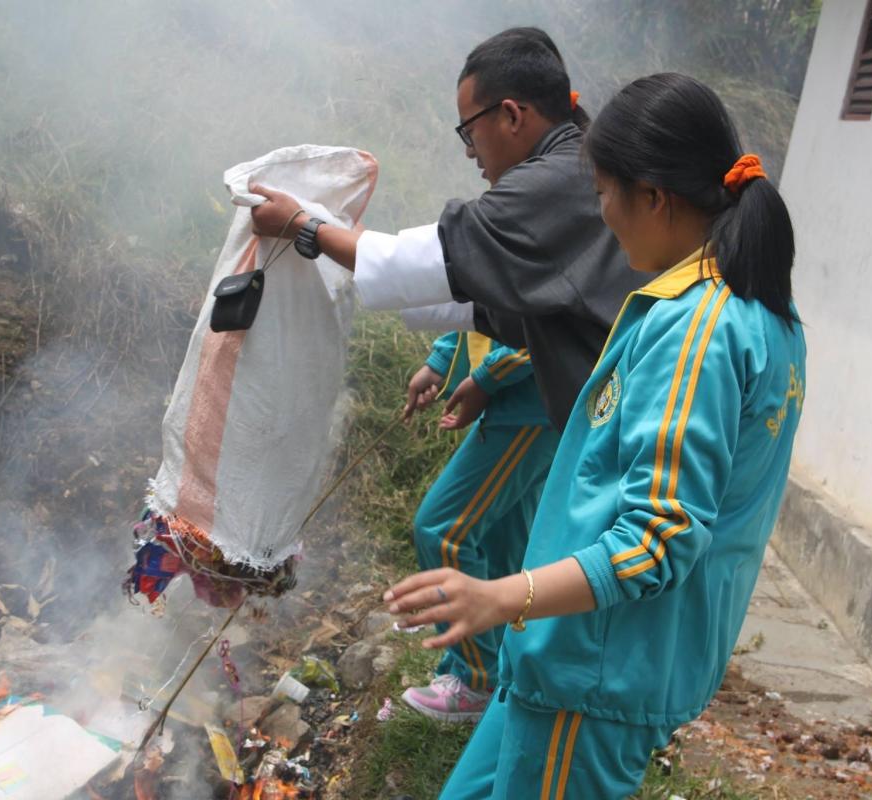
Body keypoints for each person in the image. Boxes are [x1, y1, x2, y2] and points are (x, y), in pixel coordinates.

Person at [383, 73, 807, 798]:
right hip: (569, 655)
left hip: (597, 671)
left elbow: (660, 535)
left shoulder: (698, 330)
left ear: (654, 196)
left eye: (604, 192)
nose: (601, 216)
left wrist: (500, 597)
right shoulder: (752, 308)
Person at [249, 27, 647, 433]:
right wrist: (351, 242)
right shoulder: (575, 167)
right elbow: (485, 299)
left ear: (511, 114)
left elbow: (429, 261)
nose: (469, 150)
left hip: (626, 426)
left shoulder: (546, 184)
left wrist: (304, 226)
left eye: (469, 130)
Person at [399, 330, 559, 721]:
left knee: (443, 531)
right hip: (519, 401)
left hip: (532, 402)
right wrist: (442, 360)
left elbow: (549, 322)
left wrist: (486, 377)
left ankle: (476, 680)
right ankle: (496, 672)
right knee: (501, 540)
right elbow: (483, 294)